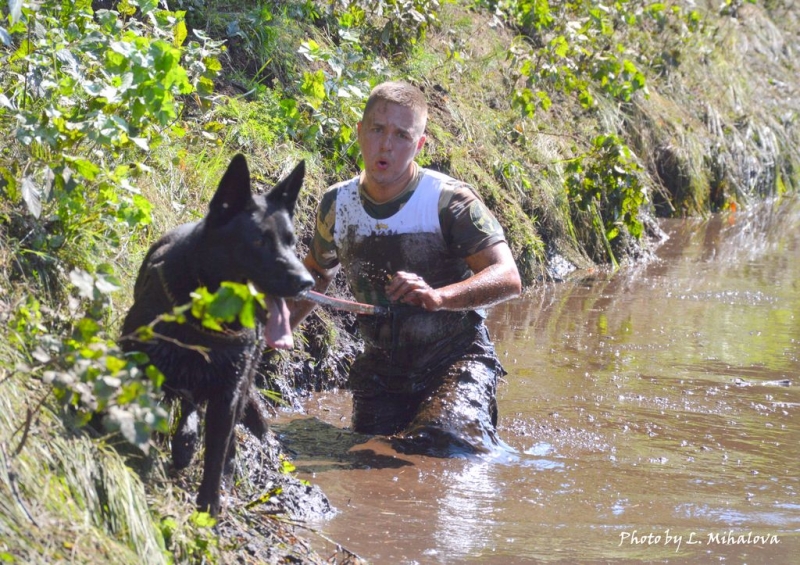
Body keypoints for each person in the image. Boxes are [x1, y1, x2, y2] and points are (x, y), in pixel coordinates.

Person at [290, 80, 521, 456]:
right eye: (378, 131)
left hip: (454, 360)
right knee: (364, 458)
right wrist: (273, 331)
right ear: (360, 132)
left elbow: (508, 277)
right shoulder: (338, 204)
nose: (386, 146)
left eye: (401, 135)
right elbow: (316, 274)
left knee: (446, 448)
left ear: (419, 145)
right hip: (381, 372)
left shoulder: (450, 201)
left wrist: (439, 297)